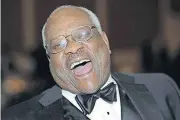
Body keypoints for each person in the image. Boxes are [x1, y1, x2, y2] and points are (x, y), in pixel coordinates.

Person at [2, 5, 180, 120]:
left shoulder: (162, 89)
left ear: (105, 42)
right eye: (58, 45)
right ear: (50, 61)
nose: (72, 48)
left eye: (83, 35)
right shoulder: (18, 117)